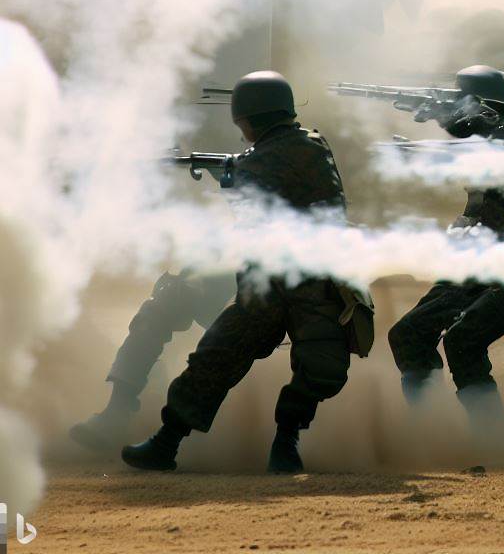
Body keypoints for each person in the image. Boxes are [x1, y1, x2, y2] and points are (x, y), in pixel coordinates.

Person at [122, 71, 371, 474]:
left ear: (250, 119)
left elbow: (255, 179)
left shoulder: (295, 149)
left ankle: (285, 441)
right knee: (216, 354)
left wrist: (230, 172)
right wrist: (230, 171)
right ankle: (167, 442)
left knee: (320, 364)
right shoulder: (297, 147)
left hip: (312, 281)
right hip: (269, 284)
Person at [388, 66, 504, 408]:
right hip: (477, 265)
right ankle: (429, 420)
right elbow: (476, 209)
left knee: (462, 342)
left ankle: (487, 428)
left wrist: (439, 117)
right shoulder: (482, 142)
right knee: (407, 333)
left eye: (458, 99)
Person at [69, 269, 236, 452]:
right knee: (167, 298)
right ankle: (118, 411)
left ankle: (170, 438)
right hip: (222, 279)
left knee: (235, 328)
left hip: (249, 297)